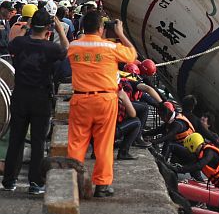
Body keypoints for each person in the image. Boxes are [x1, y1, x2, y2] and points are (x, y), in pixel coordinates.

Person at [66, 12, 138, 198]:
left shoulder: (74, 46)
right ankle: (102, 185)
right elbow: (132, 55)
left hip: (80, 99)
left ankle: (72, 180)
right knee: (103, 144)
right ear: (101, 28)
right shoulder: (110, 47)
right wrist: (120, 33)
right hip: (105, 100)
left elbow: (67, 51)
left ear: (82, 26)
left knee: (77, 142)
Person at [2, 10, 69, 194]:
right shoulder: (51, 48)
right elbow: (66, 50)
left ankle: (9, 181)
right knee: (38, 141)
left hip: (20, 95)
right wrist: (61, 31)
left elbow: (12, 44)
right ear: (49, 28)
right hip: (41, 97)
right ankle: (35, 183)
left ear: (31, 25)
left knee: (16, 138)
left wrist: (25, 28)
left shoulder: (19, 43)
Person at [114, 88, 142, 161]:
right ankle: (123, 152)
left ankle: (95, 151)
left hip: (94, 133)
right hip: (109, 132)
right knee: (137, 122)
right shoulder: (118, 91)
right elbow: (133, 114)